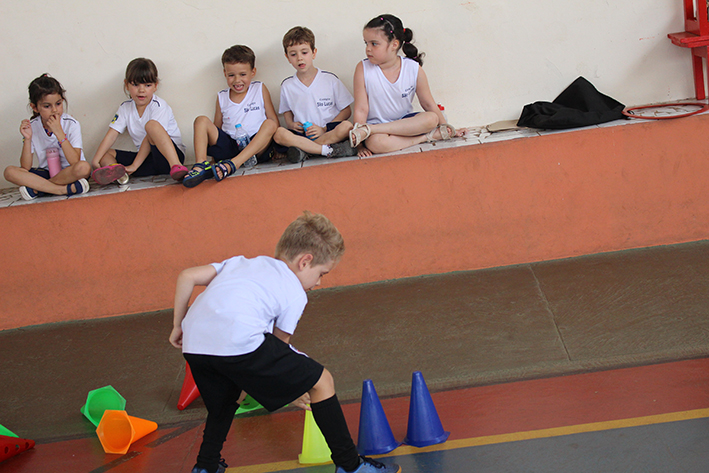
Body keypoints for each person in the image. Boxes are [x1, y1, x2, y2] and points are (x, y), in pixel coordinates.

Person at [169, 212, 401, 473]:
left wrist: (178, 326)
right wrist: (293, 389)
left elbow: (187, 276)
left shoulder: (241, 263)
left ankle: (206, 466)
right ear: (305, 261)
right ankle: (351, 466)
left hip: (195, 343)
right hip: (238, 340)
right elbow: (279, 345)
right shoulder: (294, 291)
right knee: (322, 381)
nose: (319, 282)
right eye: (321, 273)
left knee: (226, 400)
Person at [350, 14, 465, 157]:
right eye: (366, 43)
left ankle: (374, 130)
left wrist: (447, 129)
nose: (368, 49)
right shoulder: (362, 68)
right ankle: (426, 137)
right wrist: (360, 145)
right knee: (376, 143)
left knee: (432, 118)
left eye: (374, 44)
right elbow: (361, 109)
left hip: (406, 125)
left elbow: (428, 104)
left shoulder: (413, 68)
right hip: (379, 131)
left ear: (394, 44)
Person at [182, 45, 278, 188]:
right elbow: (217, 128)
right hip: (231, 146)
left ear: (253, 72)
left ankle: (235, 164)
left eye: (243, 74)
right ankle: (201, 165)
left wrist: (277, 147)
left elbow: (274, 121)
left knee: (270, 124)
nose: (237, 80)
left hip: (255, 147)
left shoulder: (259, 89)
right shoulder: (222, 97)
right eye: (231, 75)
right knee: (200, 120)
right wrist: (214, 158)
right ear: (225, 73)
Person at [91, 58, 188, 185]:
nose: (141, 90)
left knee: (151, 126)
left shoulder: (159, 106)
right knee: (106, 154)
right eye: (135, 85)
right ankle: (121, 176)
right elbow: (111, 135)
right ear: (127, 85)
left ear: (155, 86)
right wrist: (96, 160)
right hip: (146, 160)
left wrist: (134, 165)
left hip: (167, 158)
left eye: (147, 85)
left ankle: (177, 166)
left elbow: (149, 137)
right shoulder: (125, 108)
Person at [273, 26, 357, 163]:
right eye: (293, 54)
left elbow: (346, 111)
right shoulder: (287, 85)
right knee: (279, 134)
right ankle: (327, 150)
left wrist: (324, 129)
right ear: (287, 57)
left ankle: (306, 151)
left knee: (346, 126)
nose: (299, 58)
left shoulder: (330, 80)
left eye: (304, 52)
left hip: (327, 131)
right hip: (302, 135)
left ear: (314, 52)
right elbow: (286, 110)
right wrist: (290, 124)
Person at [4, 74, 91, 200]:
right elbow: (25, 167)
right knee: (9, 172)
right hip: (47, 173)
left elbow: (75, 161)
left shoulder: (71, 124)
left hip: (70, 172)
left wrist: (59, 133)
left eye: (58, 104)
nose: (55, 110)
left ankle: (39, 189)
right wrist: (27, 139)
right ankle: (61, 190)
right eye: (47, 106)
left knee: (84, 167)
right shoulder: (33, 126)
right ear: (35, 107)